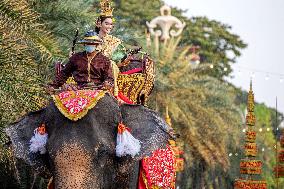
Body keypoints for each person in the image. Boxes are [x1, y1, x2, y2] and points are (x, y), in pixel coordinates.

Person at [49, 30, 114, 92]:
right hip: (78, 89)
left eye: (92, 43)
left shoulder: (105, 60)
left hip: (98, 89)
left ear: (96, 44)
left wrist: (108, 83)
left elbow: (109, 78)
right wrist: (54, 85)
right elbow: (64, 73)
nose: (89, 45)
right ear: (84, 44)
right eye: (87, 43)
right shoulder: (76, 57)